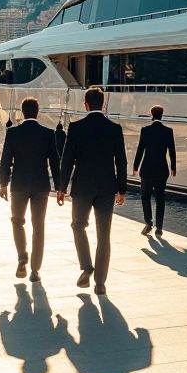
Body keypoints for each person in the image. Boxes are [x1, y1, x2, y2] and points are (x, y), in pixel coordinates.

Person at [57, 87, 126, 295]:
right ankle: (101, 283)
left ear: (86, 105)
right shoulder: (115, 128)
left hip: (82, 187)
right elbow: (121, 162)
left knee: (78, 225)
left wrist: (62, 187)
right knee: (104, 235)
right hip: (106, 187)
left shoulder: (76, 128)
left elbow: (67, 159)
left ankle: (87, 266)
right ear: (102, 105)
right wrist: (121, 189)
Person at [0, 97, 60, 281]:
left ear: (22, 112)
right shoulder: (48, 133)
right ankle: (35, 270)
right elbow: (55, 163)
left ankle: (22, 257)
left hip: (18, 185)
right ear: (37, 112)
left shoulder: (13, 133)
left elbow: (5, 161)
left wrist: (3, 183)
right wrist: (59, 187)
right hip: (41, 185)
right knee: (38, 226)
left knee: (17, 221)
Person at [131, 105, 176, 237]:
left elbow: (140, 150)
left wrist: (135, 166)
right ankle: (159, 228)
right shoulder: (168, 131)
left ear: (151, 114)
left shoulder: (145, 130)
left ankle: (148, 222)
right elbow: (172, 151)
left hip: (147, 169)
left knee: (145, 196)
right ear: (162, 115)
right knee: (160, 198)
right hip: (162, 169)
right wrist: (173, 167)